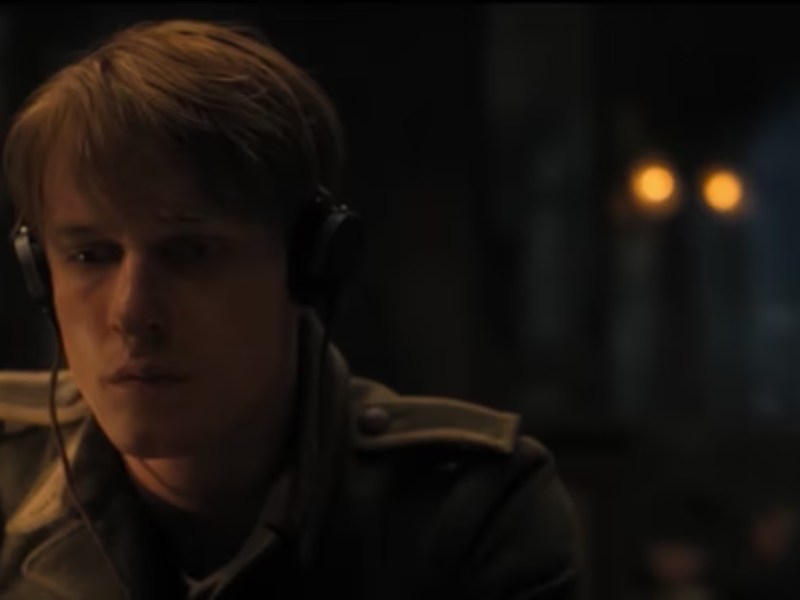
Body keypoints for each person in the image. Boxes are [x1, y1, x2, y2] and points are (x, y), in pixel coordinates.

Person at [0, 19, 581, 599]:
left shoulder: (470, 509)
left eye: (192, 251)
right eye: (90, 255)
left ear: (308, 263)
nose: (131, 313)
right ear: (39, 273)